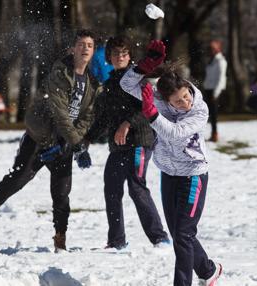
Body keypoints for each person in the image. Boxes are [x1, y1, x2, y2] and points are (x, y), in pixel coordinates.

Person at [0, 29, 102, 252]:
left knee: (62, 193)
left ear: (93, 51)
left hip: (64, 142)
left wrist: (72, 143)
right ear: (73, 49)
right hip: (40, 137)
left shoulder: (93, 83)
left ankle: (60, 239)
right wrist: (74, 143)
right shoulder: (60, 72)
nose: (85, 48)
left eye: (90, 45)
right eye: (81, 44)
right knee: (17, 180)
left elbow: (88, 116)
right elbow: (60, 114)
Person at [120, 40, 222, 286]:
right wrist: (145, 66)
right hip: (168, 172)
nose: (184, 102)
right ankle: (208, 271)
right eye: (178, 101)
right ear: (166, 100)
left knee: (184, 234)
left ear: (188, 87)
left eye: (186, 96)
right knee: (178, 233)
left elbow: (176, 133)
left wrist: (152, 115)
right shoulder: (159, 100)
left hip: (194, 175)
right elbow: (126, 83)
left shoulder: (200, 110)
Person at [86, 35, 169, 250]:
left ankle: (159, 238)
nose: (119, 57)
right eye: (115, 54)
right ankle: (116, 241)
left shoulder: (138, 78)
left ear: (130, 56)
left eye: (124, 53)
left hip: (140, 141)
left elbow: (148, 108)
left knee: (136, 186)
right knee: (111, 189)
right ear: (108, 58)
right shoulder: (109, 83)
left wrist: (127, 123)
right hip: (118, 146)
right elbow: (102, 118)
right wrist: (86, 139)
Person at [202, 39, 227, 142]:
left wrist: (216, 93)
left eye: (213, 48)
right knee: (209, 114)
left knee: (214, 114)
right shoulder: (212, 61)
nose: (211, 50)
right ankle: (212, 133)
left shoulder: (221, 61)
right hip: (208, 88)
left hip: (215, 90)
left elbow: (221, 78)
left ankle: (215, 133)